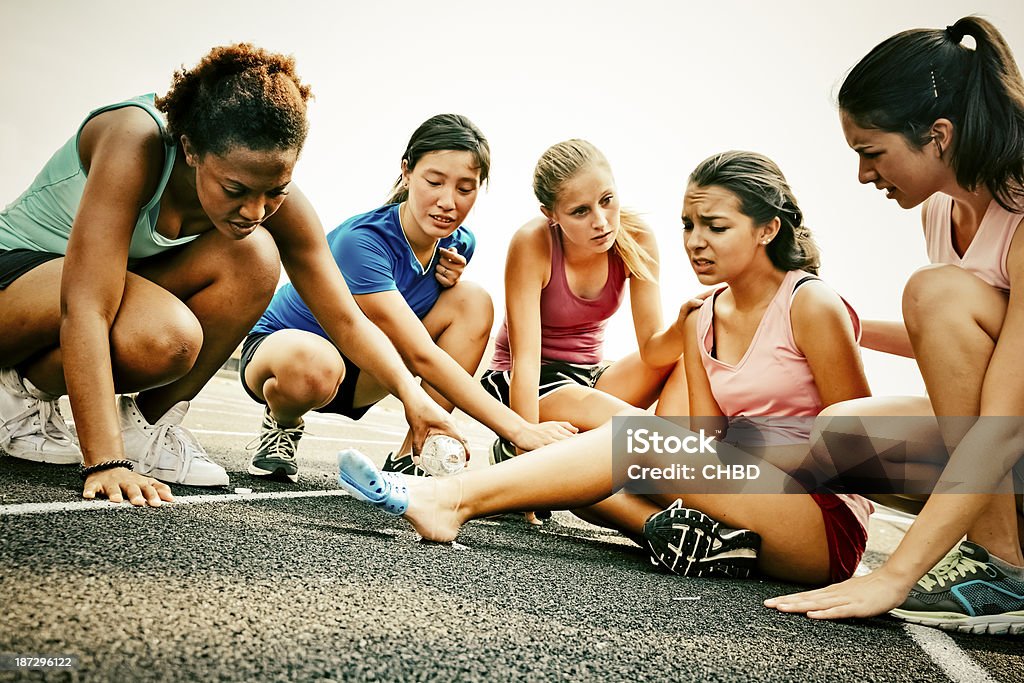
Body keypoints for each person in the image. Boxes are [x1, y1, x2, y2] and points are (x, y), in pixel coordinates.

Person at [339, 150, 875, 587]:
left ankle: (450, 499)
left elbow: (865, 455)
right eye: (688, 225)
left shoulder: (811, 304)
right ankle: (680, 538)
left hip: (819, 524)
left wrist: (732, 455)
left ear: (766, 230)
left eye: (714, 226)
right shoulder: (706, 313)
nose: (694, 241)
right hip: (749, 503)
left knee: (629, 442)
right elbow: (705, 439)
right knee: (588, 475)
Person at [0, 44, 461, 506]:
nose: (254, 209)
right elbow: (86, 305)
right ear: (191, 150)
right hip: (14, 281)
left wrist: (412, 399)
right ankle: (15, 396)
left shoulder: (260, 196)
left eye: (275, 191)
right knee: (164, 335)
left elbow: (347, 318)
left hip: (83, 295)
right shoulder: (131, 140)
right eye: (235, 190)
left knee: (255, 254)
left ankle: (145, 429)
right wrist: (105, 461)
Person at [764, 16, 1024, 636]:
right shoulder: (942, 208)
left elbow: (1004, 422)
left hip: (1010, 432)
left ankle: (1003, 567)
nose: (862, 175)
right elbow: (969, 346)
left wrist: (895, 573)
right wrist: (835, 321)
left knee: (934, 293)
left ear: (937, 136)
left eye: (871, 153)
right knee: (838, 436)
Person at [240, 115, 576, 482]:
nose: (448, 202)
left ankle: (412, 456)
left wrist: (440, 285)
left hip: (368, 369)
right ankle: (284, 422)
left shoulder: (459, 243)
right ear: (407, 171)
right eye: (434, 181)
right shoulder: (362, 242)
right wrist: (518, 430)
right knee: (314, 364)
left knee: (473, 301)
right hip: (288, 358)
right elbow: (420, 353)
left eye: (465, 189)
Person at [483, 139, 689, 467]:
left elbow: (653, 351)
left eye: (607, 200)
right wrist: (523, 445)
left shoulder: (637, 238)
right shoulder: (532, 243)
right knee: (641, 428)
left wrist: (683, 326)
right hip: (531, 381)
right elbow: (525, 361)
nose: (602, 222)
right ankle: (513, 451)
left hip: (591, 376)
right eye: (580, 211)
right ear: (550, 214)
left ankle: (667, 477)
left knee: (687, 359)